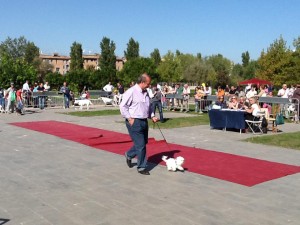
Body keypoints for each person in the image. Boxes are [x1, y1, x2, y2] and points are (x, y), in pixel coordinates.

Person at [120, 73, 159, 175]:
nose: (149, 85)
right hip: (134, 121)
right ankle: (141, 167)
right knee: (141, 145)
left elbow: (148, 107)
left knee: (143, 142)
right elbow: (123, 106)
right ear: (142, 82)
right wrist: (129, 118)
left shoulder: (145, 92)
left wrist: (152, 116)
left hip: (144, 120)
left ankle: (129, 154)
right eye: (148, 83)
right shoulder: (131, 91)